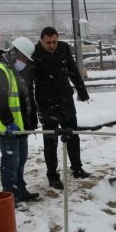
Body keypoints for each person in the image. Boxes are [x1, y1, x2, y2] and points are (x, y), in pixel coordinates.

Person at [0, 37, 40, 208]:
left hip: (19, 125)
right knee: (10, 162)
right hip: (6, 126)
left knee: (20, 159)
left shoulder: (15, 71)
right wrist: (8, 123)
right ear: (15, 54)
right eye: (24, 59)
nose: (26, 62)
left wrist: (29, 121)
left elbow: (24, 98)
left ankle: (21, 190)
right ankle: (11, 195)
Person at [32, 27, 91, 190]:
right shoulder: (34, 54)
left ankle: (77, 168)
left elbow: (73, 70)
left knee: (73, 136)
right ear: (41, 41)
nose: (52, 45)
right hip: (46, 103)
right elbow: (29, 82)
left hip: (65, 100)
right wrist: (33, 107)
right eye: (48, 43)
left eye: (54, 42)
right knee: (50, 142)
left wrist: (82, 91)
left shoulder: (64, 48)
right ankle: (52, 175)